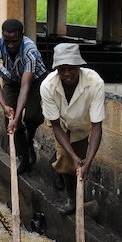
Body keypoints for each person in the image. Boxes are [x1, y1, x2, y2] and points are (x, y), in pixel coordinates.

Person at [40, 43, 105, 215]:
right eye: (62, 69)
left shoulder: (95, 83)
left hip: (82, 125)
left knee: (79, 162)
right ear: (57, 69)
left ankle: (57, 164)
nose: (67, 74)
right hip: (61, 123)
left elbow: (97, 127)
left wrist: (87, 162)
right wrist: (73, 156)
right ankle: (71, 199)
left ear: (79, 66)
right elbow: (55, 125)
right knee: (68, 160)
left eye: (71, 69)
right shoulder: (47, 86)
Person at [0, 19, 47, 174]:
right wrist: (5, 107)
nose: (10, 45)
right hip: (11, 79)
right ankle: (23, 157)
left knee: (32, 116)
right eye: (7, 41)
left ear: (22, 36)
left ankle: (29, 141)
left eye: (14, 41)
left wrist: (18, 115)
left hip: (34, 81)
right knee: (10, 118)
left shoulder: (30, 50)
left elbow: (25, 87)